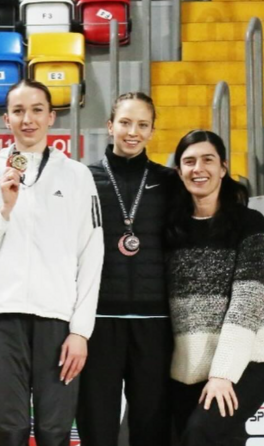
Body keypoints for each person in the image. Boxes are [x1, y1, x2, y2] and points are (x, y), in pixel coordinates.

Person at [0, 79, 104, 446]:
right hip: (0, 316)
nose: (28, 119)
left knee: (55, 431)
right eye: (19, 111)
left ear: (51, 117)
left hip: (58, 320)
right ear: (6, 119)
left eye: (37, 110)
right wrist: (3, 210)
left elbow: (91, 256)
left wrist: (80, 331)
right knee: (7, 430)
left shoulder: (78, 176)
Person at [166, 130, 264, 446]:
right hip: (186, 369)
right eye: (189, 161)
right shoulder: (171, 229)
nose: (198, 168)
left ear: (223, 168)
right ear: (179, 171)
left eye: (208, 160)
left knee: (200, 435)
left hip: (248, 362)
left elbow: (248, 299)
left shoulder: (249, 223)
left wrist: (223, 374)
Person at [77, 92, 178, 446]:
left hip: (155, 326)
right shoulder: (83, 179)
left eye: (142, 125)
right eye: (125, 122)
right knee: (96, 427)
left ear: (152, 131)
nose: (132, 132)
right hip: (99, 323)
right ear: (109, 126)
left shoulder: (170, 181)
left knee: (152, 430)